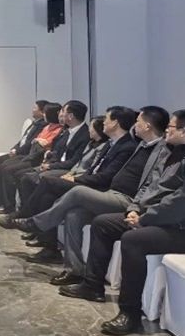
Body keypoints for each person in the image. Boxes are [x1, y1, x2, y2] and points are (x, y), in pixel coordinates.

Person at [58, 110, 185, 336]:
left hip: (184, 228)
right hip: (153, 215)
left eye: (171, 127)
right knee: (103, 224)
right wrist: (134, 208)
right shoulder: (169, 151)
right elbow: (148, 185)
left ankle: (130, 313)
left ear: (184, 131)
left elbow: (183, 202)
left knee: (134, 240)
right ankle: (92, 286)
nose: (167, 131)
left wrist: (146, 218)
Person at [14, 107, 164, 275]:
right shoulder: (140, 145)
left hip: (125, 198)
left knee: (74, 191)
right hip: (111, 192)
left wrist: (135, 208)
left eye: (139, 121)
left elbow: (150, 184)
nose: (135, 125)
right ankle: (74, 270)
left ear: (148, 126)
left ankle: (35, 222)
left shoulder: (156, 150)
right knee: (73, 215)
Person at [0, 116, 108, 232]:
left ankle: (24, 215)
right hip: (70, 171)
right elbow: (68, 156)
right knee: (42, 193)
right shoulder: (90, 143)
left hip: (76, 176)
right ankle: (33, 226)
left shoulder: (99, 146)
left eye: (91, 127)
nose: (89, 129)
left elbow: (89, 168)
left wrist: (74, 177)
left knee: (44, 179)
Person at [15, 100, 90, 209]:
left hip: (67, 169)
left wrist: (50, 166)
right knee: (24, 176)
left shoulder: (84, 135)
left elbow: (73, 161)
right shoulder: (68, 130)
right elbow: (57, 151)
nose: (61, 114)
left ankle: (27, 212)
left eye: (63, 111)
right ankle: (25, 210)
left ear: (70, 116)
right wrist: (49, 158)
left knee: (31, 178)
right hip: (56, 164)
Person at [0, 102, 64, 213]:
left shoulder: (57, 129)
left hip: (37, 158)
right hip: (31, 155)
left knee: (10, 170)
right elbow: (34, 141)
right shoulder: (46, 127)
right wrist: (37, 142)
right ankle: (3, 201)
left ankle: (13, 206)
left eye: (45, 112)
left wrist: (38, 142)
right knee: (3, 165)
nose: (44, 114)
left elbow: (44, 143)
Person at [0, 100, 49, 204]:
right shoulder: (34, 123)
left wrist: (17, 151)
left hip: (26, 154)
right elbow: (23, 140)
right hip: (20, 151)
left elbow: (29, 144)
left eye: (35, 108)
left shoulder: (42, 125)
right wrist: (14, 148)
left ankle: (7, 203)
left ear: (42, 112)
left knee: (5, 168)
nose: (32, 110)